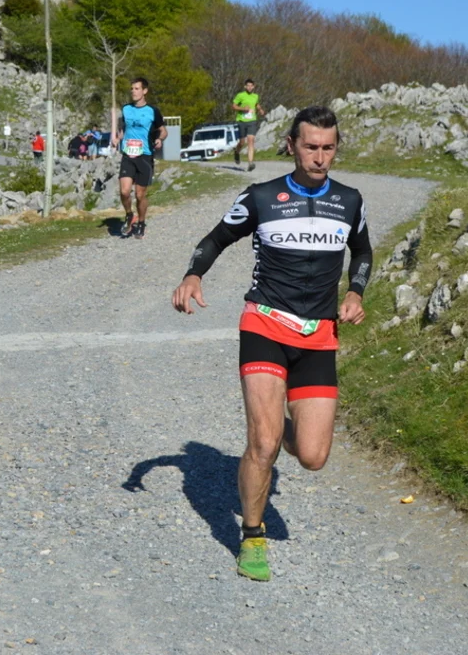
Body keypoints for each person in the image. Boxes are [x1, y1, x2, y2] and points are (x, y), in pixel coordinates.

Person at [171, 106, 372, 582]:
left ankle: (277, 419)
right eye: (310, 147)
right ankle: (252, 536)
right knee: (263, 443)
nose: (319, 157)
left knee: (313, 456)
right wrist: (193, 275)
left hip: (319, 334)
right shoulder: (261, 197)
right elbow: (216, 238)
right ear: (291, 145)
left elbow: (362, 250)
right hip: (264, 324)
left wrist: (356, 291)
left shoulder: (349, 201)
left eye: (328, 148)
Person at [110, 77, 166, 240]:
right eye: (132, 89)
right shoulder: (126, 109)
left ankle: (141, 222)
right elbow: (124, 129)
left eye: (136, 89)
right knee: (124, 191)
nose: (133, 92)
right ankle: (129, 215)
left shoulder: (153, 111)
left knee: (140, 195)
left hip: (145, 156)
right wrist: (118, 139)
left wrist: (159, 139)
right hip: (128, 155)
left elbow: (163, 131)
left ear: (144, 91)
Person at [232, 78, 266, 172]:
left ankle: (250, 163)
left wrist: (260, 109)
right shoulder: (240, 95)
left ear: (254, 87)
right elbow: (234, 106)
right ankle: (236, 152)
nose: (250, 87)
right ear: (245, 86)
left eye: (251, 86)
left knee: (251, 141)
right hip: (242, 121)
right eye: (248, 86)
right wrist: (243, 109)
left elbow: (256, 104)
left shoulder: (255, 96)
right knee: (242, 142)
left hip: (252, 121)